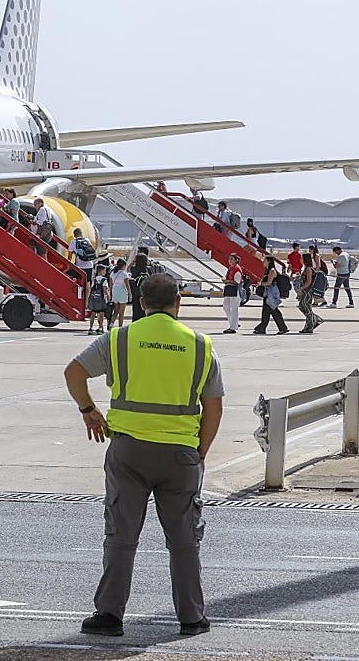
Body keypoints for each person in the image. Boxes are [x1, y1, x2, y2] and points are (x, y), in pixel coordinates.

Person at [64, 272, 223, 638]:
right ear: (178, 302)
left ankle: (109, 615)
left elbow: (74, 372)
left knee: (121, 534)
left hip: (129, 451)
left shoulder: (119, 339)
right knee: (183, 540)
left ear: (141, 303)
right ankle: (191, 617)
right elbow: (213, 408)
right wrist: (200, 451)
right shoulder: (200, 346)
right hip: (180, 453)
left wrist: (89, 410)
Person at [252, 257, 289, 335]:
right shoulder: (267, 271)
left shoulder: (272, 271)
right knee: (266, 312)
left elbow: (269, 283)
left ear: (269, 261)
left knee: (274, 311)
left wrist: (261, 284)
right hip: (267, 294)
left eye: (264, 260)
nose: (263, 261)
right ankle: (262, 328)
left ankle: (283, 328)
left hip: (271, 295)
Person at [298, 253, 324, 334]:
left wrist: (302, 288)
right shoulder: (306, 268)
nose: (300, 260)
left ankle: (309, 327)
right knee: (302, 306)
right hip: (305, 291)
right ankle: (315, 320)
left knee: (306, 308)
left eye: (301, 258)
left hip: (307, 292)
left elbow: (309, 281)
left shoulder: (308, 269)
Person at [222, 253, 243, 334]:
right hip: (229, 289)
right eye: (229, 259)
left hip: (235, 290)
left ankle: (233, 327)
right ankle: (234, 323)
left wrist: (227, 281)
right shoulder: (231, 268)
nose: (230, 261)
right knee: (226, 307)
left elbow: (237, 282)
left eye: (232, 259)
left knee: (234, 309)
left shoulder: (237, 269)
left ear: (236, 260)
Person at [86, 263, 111, 334]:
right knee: (101, 314)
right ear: (101, 271)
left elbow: (92, 288)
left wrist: (88, 299)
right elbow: (105, 289)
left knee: (93, 313)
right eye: (104, 270)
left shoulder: (94, 279)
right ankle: (100, 328)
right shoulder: (104, 280)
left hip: (94, 298)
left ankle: (90, 328)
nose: (105, 272)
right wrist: (108, 297)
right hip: (101, 299)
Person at [109, 259, 131, 329]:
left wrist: (111, 294)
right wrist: (129, 293)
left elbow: (111, 285)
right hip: (122, 292)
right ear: (124, 265)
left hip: (115, 292)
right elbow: (127, 285)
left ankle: (111, 324)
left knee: (116, 311)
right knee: (121, 312)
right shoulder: (124, 274)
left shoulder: (112, 273)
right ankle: (120, 327)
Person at [129, 254, 150, 321]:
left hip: (136, 292)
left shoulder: (134, 269)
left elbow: (128, 268)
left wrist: (133, 262)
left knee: (136, 310)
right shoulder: (148, 269)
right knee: (145, 309)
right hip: (146, 292)